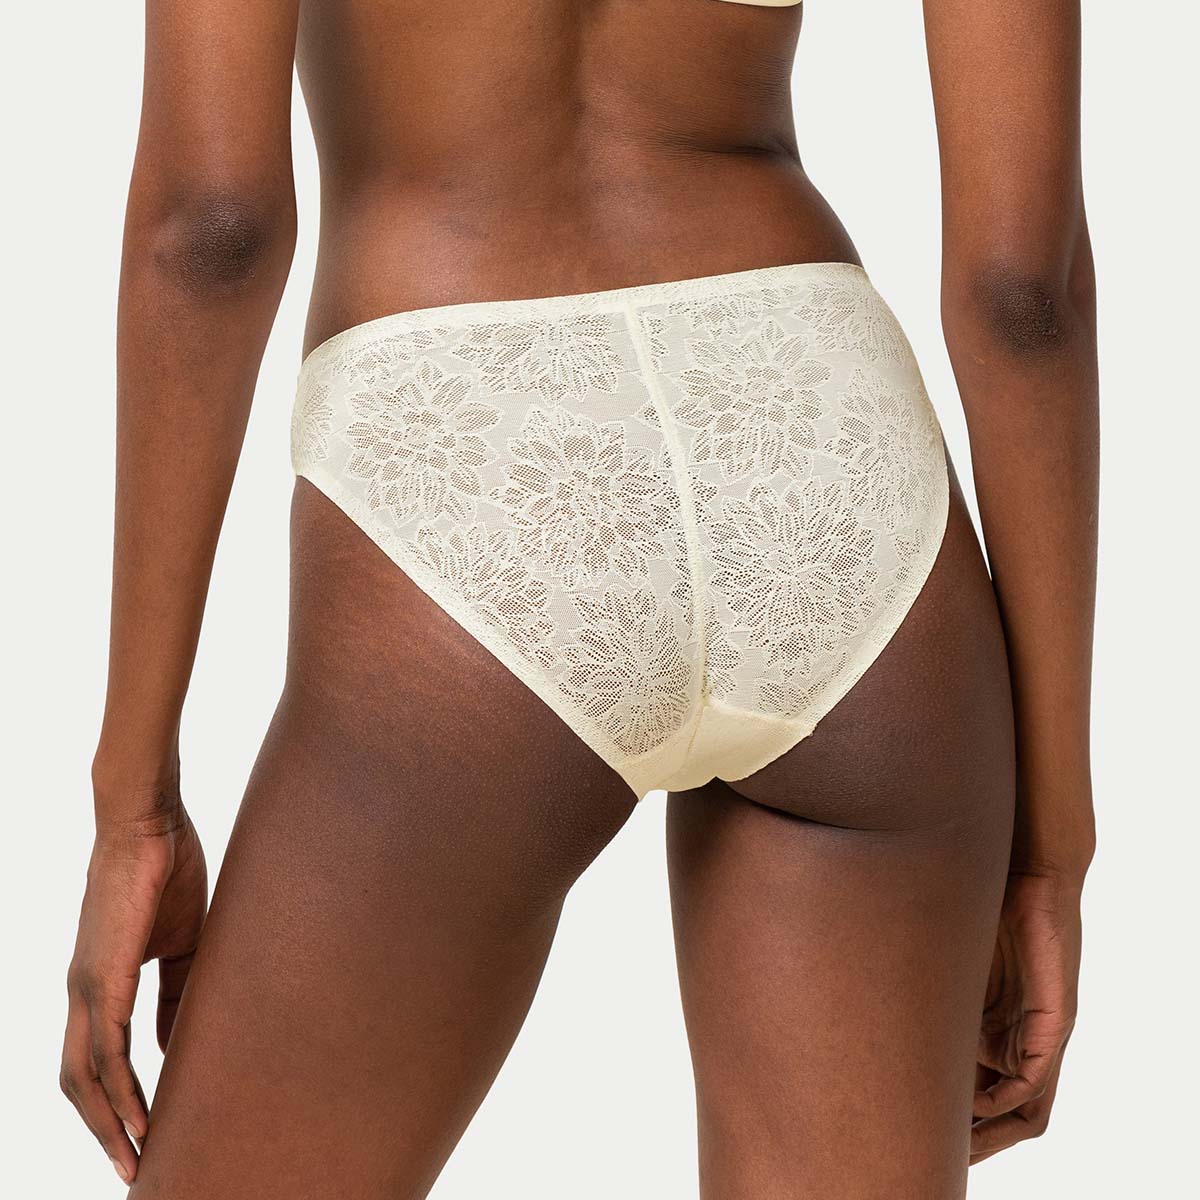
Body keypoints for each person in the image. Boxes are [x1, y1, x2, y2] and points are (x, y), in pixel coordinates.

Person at [60, 1, 1098, 1196]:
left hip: (470, 451)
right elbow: (1027, 294)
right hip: (829, 460)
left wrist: (134, 809)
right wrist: (1051, 849)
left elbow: (212, 230)